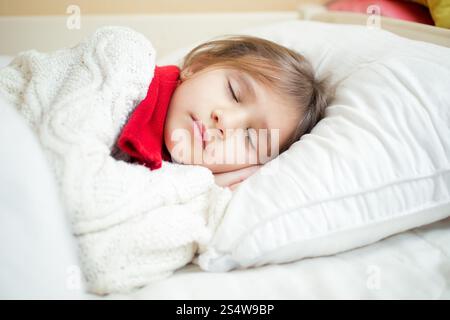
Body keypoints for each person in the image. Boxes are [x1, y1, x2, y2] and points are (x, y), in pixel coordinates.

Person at [115, 35, 332, 191]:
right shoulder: (125, 73)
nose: (225, 122)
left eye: (250, 137)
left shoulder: (199, 197)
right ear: (198, 67)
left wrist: (209, 185)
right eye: (234, 93)